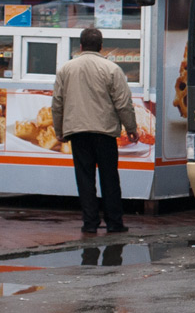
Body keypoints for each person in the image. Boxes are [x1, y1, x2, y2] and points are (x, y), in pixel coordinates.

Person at [52, 27, 138, 234]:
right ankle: (114, 223)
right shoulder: (112, 69)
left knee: (84, 177)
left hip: (77, 131)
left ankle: (90, 223)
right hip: (105, 131)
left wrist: (59, 129)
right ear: (101, 47)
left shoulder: (66, 69)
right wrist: (131, 127)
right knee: (109, 177)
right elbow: (123, 103)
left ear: (80, 46)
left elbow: (57, 102)